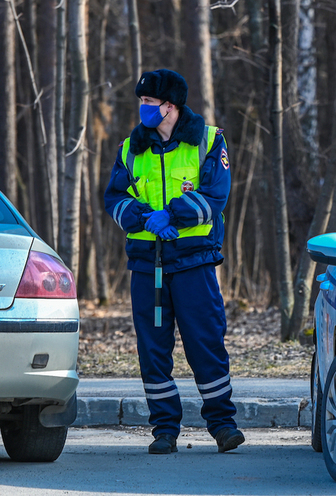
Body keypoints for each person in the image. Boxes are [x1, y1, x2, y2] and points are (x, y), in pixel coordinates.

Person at [104, 69, 244, 454]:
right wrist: (146, 217)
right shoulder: (131, 148)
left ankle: (222, 425)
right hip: (147, 265)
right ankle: (164, 429)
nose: (143, 109)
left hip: (194, 262)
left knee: (205, 342)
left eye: (149, 103)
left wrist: (173, 215)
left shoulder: (209, 140)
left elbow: (215, 196)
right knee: (152, 348)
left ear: (170, 106)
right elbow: (114, 199)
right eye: (142, 103)